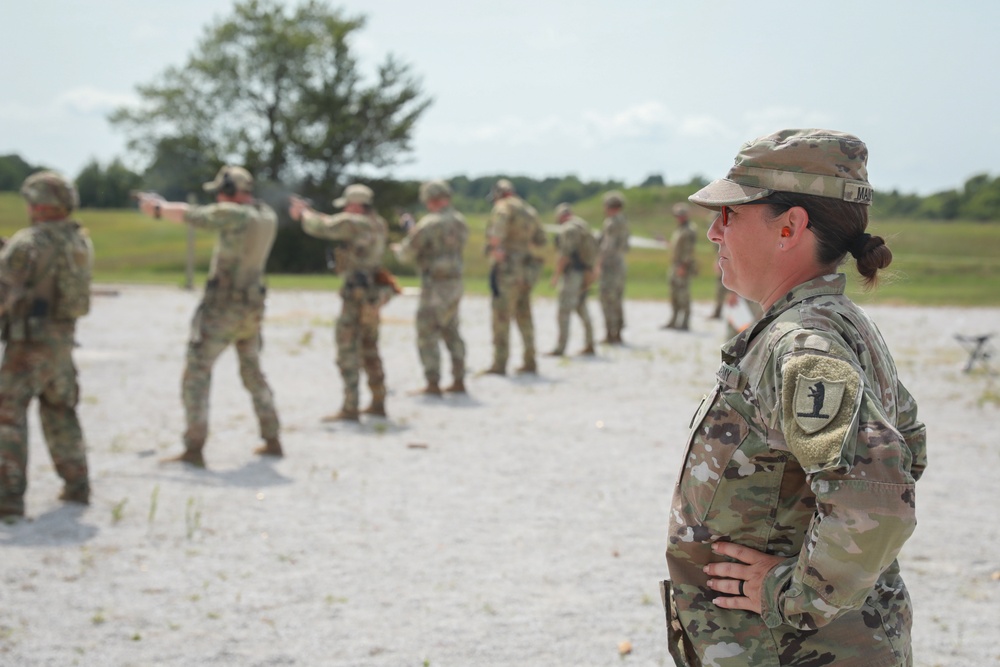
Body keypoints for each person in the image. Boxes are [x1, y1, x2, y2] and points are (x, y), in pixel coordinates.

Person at [661, 129, 926, 667]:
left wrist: (794, 595)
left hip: (792, 649)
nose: (713, 232)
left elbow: (876, 498)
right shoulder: (833, 325)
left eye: (730, 214)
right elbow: (908, 449)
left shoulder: (803, 345)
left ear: (789, 226)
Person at [137, 165, 282, 467]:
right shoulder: (266, 215)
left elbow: (194, 215)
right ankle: (272, 436)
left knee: (196, 374)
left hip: (223, 309)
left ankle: (194, 447)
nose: (217, 197)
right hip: (251, 308)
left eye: (220, 191)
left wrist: (159, 209)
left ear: (230, 191)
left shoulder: (235, 214)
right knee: (253, 373)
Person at [0, 171, 93, 517]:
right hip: (63, 342)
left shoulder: (28, 243)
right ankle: (77, 484)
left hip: (27, 345)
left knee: (7, 414)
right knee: (60, 412)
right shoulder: (79, 240)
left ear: (39, 204)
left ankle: (8, 496)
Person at [290, 184, 392, 420]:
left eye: (347, 205)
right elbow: (339, 224)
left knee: (347, 349)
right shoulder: (377, 223)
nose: (345, 209)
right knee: (370, 348)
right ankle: (378, 401)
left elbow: (322, 227)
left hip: (355, 296)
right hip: (372, 296)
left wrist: (303, 214)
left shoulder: (354, 222)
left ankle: (350, 406)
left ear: (355, 205)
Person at [392, 179, 469, 395]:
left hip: (435, 285)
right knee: (452, 330)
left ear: (431, 199)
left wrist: (402, 244)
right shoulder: (460, 221)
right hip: (455, 283)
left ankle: (432, 382)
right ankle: (459, 379)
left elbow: (407, 254)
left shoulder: (429, 223)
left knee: (427, 332)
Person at [484, 179, 546, 375]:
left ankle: (499, 363)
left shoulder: (503, 208)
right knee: (524, 316)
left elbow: (496, 236)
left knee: (501, 316)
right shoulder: (530, 211)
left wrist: (497, 250)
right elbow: (541, 240)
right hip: (526, 270)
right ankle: (530, 360)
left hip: (508, 270)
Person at [546, 202, 596, 357]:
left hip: (573, 274)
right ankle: (590, 344)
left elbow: (565, 255)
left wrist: (556, 275)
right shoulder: (583, 226)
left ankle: (560, 348)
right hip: (586, 273)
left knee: (564, 311)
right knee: (582, 308)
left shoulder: (568, 229)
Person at [597, 190, 630, 344]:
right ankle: (618, 332)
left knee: (606, 299)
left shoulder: (610, 223)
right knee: (617, 299)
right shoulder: (623, 221)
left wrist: (598, 263)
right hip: (620, 264)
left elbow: (607, 246)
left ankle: (610, 333)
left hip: (610, 266)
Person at [663, 203, 697, 331]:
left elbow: (688, 251)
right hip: (675, 265)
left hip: (682, 266)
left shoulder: (689, 230)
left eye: (681, 215)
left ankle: (685, 322)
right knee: (674, 294)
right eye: (677, 215)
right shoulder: (680, 229)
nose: (679, 217)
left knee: (683, 295)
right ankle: (674, 319)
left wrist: (683, 266)